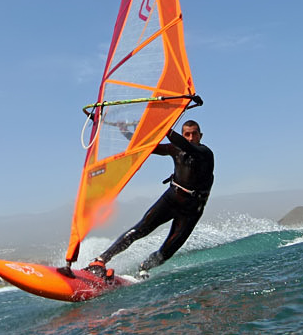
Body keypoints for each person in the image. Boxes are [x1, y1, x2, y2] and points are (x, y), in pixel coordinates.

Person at [60, 120, 214, 280]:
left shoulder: (205, 153)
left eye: (194, 134)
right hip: (173, 198)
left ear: (200, 136)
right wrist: (125, 132)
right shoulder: (175, 148)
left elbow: (186, 146)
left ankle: (144, 267)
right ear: (183, 135)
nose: (190, 138)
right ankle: (100, 261)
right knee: (140, 229)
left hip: (192, 209)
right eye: (187, 134)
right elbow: (148, 146)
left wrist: (164, 126)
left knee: (168, 250)